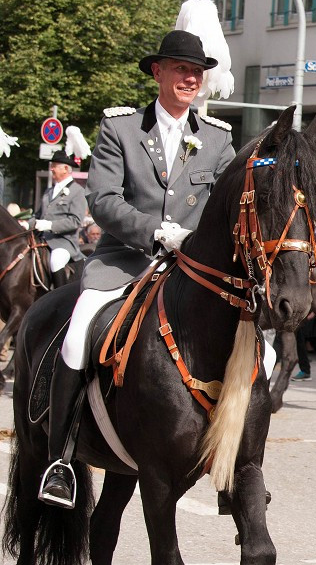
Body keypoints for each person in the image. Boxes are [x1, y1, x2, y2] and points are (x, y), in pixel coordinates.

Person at [38, 30, 235, 508]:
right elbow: (103, 201)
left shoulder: (217, 139)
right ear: (158, 72)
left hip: (192, 271)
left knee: (259, 350)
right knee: (79, 328)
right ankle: (60, 459)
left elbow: (228, 206)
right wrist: (155, 232)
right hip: (124, 259)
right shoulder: (121, 129)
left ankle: (235, 464)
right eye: (181, 69)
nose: (191, 78)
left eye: (198, 72)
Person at [31, 151, 87, 288]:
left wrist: (50, 225)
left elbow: (76, 221)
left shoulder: (77, 191)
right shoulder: (49, 191)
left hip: (63, 242)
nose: (51, 169)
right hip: (41, 239)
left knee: (56, 261)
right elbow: (37, 215)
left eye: (55, 166)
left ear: (66, 169)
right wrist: (26, 224)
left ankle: (58, 295)